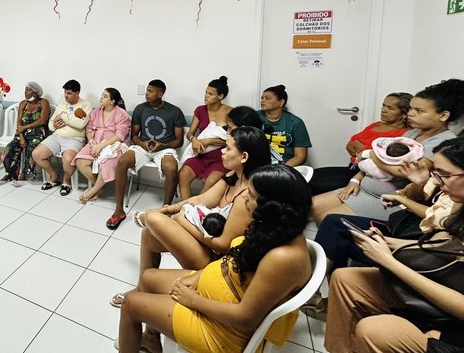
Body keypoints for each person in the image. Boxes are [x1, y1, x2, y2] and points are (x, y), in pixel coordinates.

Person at [117, 164, 313, 353]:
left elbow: (246, 318)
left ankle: (144, 327)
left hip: (223, 332)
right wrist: (198, 277)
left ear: (272, 206)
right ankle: (151, 339)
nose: (244, 197)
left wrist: (193, 300)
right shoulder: (275, 228)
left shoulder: (284, 258)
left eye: (252, 195)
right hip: (218, 289)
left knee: (131, 304)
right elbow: (235, 259)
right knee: (148, 277)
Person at [324, 136, 464, 353]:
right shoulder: (462, 206)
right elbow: (446, 243)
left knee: (375, 330)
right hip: (447, 285)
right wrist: (387, 242)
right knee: (347, 278)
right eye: (437, 174)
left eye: (446, 175)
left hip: (458, 323)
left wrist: (389, 261)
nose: (438, 181)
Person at [110, 126, 272, 314]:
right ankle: (141, 287)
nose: (222, 151)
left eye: (227, 148)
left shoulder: (247, 197)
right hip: (207, 242)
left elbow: (222, 245)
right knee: (149, 233)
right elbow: (200, 200)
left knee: (153, 220)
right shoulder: (233, 177)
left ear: (244, 157)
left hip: (216, 261)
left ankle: (148, 220)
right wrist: (166, 210)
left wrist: (182, 221)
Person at [312, 79, 464, 225]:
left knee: (327, 218)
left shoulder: (442, 143)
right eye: (411, 108)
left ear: (443, 115)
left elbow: (403, 171)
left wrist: (372, 154)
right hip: (365, 187)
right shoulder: (412, 133)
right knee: (313, 206)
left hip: (387, 199)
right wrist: (355, 180)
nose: (410, 114)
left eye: (419, 111)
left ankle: (337, 249)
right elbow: (378, 160)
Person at [107, 80, 186, 230]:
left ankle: (165, 211)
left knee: (171, 168)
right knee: (122, 162)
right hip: (143, 146)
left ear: (160, 94)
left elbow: (179, 141)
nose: (146, 94)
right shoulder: (140, 109)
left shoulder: (174, 111)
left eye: (150, 91)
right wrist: (142, 144)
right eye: (147, 91)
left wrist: (163, 145)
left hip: (164, 148)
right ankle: (119, 210)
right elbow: (134, 135)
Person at [310, 92, 412, 195]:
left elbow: (376, 156)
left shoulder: (402, 135)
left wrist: (362, 149)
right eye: (383, 105)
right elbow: (351, 144)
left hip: (365, 175)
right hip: (352, 167)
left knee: (316, 185)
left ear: (404, 114)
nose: (383, 110)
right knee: (310, 175)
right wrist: (363, 150)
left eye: (390, 108)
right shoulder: (376, 125)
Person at [33, 79, 92, 196]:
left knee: (68, 159)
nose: (66, 96)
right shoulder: (62, 104)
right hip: (57, 136)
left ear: (77, 93)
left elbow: (81, 124)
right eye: (65, 92)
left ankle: (66, 181)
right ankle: (54, 176)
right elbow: (51, 123)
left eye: (69, 93)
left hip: (74, 138)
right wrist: (55, 125)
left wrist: (63, 116)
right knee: (37, 154)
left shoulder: (85, 105)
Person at [178, 77, 233, 201]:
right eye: (206, 92)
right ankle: (185, 207)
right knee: (183, 175)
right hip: (201, 154)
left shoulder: (230, 112)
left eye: (210, 94)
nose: (206, 96)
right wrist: (194, 139)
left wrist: (210, 141)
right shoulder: (200, 110)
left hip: (221, 157)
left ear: (220, 96)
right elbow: (190, 133)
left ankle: (197, 209)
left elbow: (233, 140)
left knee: (211, 181)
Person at [74, 88, 131, 204]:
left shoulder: (122, 114)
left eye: (105, 96)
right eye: (102, 95)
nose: (101, 98)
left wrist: (101, 146)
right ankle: (98, 187)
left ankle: (92, 192)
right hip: (95, 142)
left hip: (114, 145)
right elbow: (89, 128)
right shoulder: (96, 112)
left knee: (107, 164)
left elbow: (120, 136)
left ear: (112, 101)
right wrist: (91, 142)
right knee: (80, 160)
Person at [0, 81, 51, 186]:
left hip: (38, 133)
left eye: (28, 90)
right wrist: (21, 137)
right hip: (22, 133)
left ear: (35, 93)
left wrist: (24, 127)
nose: (25, 92)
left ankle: (24, 175)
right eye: (25, 90)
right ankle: (10, 173)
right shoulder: (23, 103)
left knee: (31, 150)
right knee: (8, 150)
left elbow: (43, 121)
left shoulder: (44, 102)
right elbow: (19, 122)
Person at [258, 84, 312, 166]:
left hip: (286, 166)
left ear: (281, 102)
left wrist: (282, 170)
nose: (263, 101)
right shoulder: (254, 117)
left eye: (268, 98)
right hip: (259, 165)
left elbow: (301, 156)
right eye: (262, 98)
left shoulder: (295, 122)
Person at [357, 136, 423, 181]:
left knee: (366, 164)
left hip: (383, 181)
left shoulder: (379, 153)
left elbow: (401, 172)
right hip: (364, 179)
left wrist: (372, 154)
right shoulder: (412, 153)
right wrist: (354, 180)